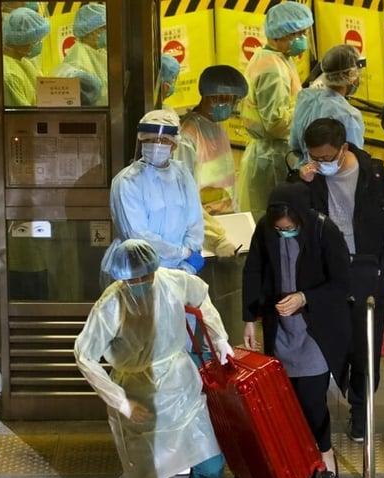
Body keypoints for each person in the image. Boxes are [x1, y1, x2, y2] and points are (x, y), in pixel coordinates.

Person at [74, 239, 233, 478]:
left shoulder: (173, 281)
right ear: (120, 278)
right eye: (133, 280)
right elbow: (84, 355)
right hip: (136, 393)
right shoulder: (111, 303)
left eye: (146, 275)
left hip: (179, 383)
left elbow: (202, 299)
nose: (141, 284)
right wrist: (122, 402)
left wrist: (220, 338)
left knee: (210, 463)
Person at [294, 118, 384, 443]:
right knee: (328, 340)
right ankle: (317, 409)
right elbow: (286, 218)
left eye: (327, 158)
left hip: (367, 269)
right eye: (314, 157)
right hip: (325, 273)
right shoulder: (308, 177)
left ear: (344, 148)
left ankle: (361, 411)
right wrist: (299, 183)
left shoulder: (374, 174)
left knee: (365, 346)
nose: (321, 164)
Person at [241, 183, 350, 478]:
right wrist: (250, 318)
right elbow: (254, 270)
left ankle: (325, 457)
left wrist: (304, 297)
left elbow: (342, 283)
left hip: (316, 329)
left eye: (289, 228)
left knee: (313, 400)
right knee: (285, 402)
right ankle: (293, 460)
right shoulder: (265, 230)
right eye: (279, 229)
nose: (283, 233)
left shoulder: (323, 231)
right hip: (281, 330)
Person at [101, 110, 205, 278]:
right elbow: (139, 237)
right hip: (138, 271)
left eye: (163, 140)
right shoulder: (128, 181)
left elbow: (195, 222)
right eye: (149, 140)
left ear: (174, 144)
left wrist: (186, 267)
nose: (156, 145)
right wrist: (183, 253)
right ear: (141, 141)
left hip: (180, 270)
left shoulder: (183, 175)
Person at [237, 1, 314, 220]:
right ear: (278, 35)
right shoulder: (273, 70)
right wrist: (306, 107)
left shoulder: (274, 58)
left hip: (269, 153)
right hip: (271, 158)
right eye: (297, 33)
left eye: (304, 32)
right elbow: (276, 122)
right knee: (273, 218)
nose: (302, 39)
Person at [178, 65, 249, 257]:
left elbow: (226, 184)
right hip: (203, 232)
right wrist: (216, 238)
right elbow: (187, 197)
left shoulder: (218, 129)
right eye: (226, 99)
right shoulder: (188, 136)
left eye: (234, 100)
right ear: (210, 96)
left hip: (226, 222)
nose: (231, 105)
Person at [290, 44, 366, 156]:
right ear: (351, 75)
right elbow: (354, 160)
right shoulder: (347, 116)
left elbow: (295, 146)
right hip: (335, 174)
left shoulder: (305, 97)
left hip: (304, 170)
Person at [51, 3, 108, 106]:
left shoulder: (100, 51)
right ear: (90, 31)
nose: (107, 32)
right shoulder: (79, 57)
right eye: (103, 28)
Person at [2, 7, 50, 107]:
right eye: (35, 41)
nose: (38, 44)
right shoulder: (9, 75)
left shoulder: (24, 62)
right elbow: (24, 115)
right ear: (21, 40)